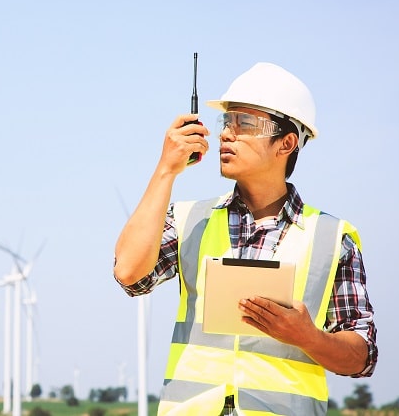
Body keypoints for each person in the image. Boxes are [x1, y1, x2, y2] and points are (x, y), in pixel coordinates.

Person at [113, 62, 377, 416]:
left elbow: (361, 358)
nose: (226, 134)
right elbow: (129, 273)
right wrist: (166, 170)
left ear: (287, 143)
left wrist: (306, 336)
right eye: (227, 122)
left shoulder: (333, 239)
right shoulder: (191, 219)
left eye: (245, 124)